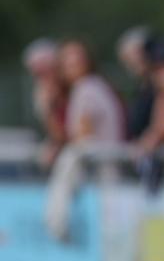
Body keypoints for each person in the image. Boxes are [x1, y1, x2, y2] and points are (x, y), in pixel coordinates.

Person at [46, 38, 125, 239]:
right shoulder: (95, 86)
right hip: (108, 171)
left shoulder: (86, 89)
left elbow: (82, 137)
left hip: (103, 173)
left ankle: (57, 223)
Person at [22, 38, 67, 167]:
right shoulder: (46, 94)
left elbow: (62, 136)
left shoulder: (72, 91)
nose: (42, 79)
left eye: (45, 72)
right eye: (37, 74)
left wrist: (47, 110)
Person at [116, 26, 155, 140]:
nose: (134, 61)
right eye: (128, 58)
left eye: (137, 54)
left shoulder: (159, 88)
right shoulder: (141, 89)